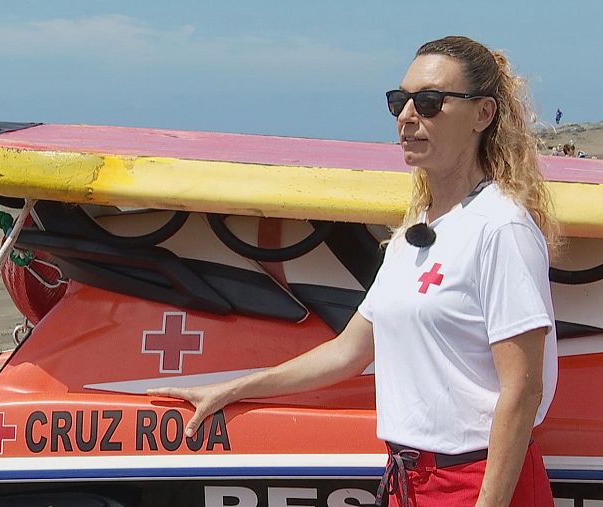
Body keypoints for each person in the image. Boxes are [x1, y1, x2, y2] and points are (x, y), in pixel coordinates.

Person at [150, 35, 558, 506]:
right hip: (409, 480)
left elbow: (523, 390)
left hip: (478, 484)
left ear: (483, 115)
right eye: (399, 102)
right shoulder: (413, 233)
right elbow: (348, 351)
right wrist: (231, 388)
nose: (408, 117)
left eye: (428, 102)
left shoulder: (500, 227)